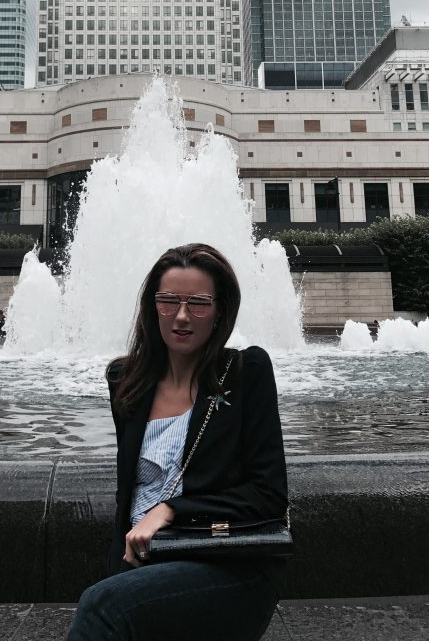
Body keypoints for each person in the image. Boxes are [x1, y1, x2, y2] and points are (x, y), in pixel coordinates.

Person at [67, 242, 288, 641]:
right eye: (168, 300)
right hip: (145, 559)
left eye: (199, 303)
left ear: (220, 310)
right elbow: (130, 493)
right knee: (106, 601)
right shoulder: (126, 381)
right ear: (153, 306)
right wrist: (118, 570)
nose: (182, 316)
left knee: (102, 606)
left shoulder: (244, 372)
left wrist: (171, 509)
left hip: (225, 561)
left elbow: (268, 495)